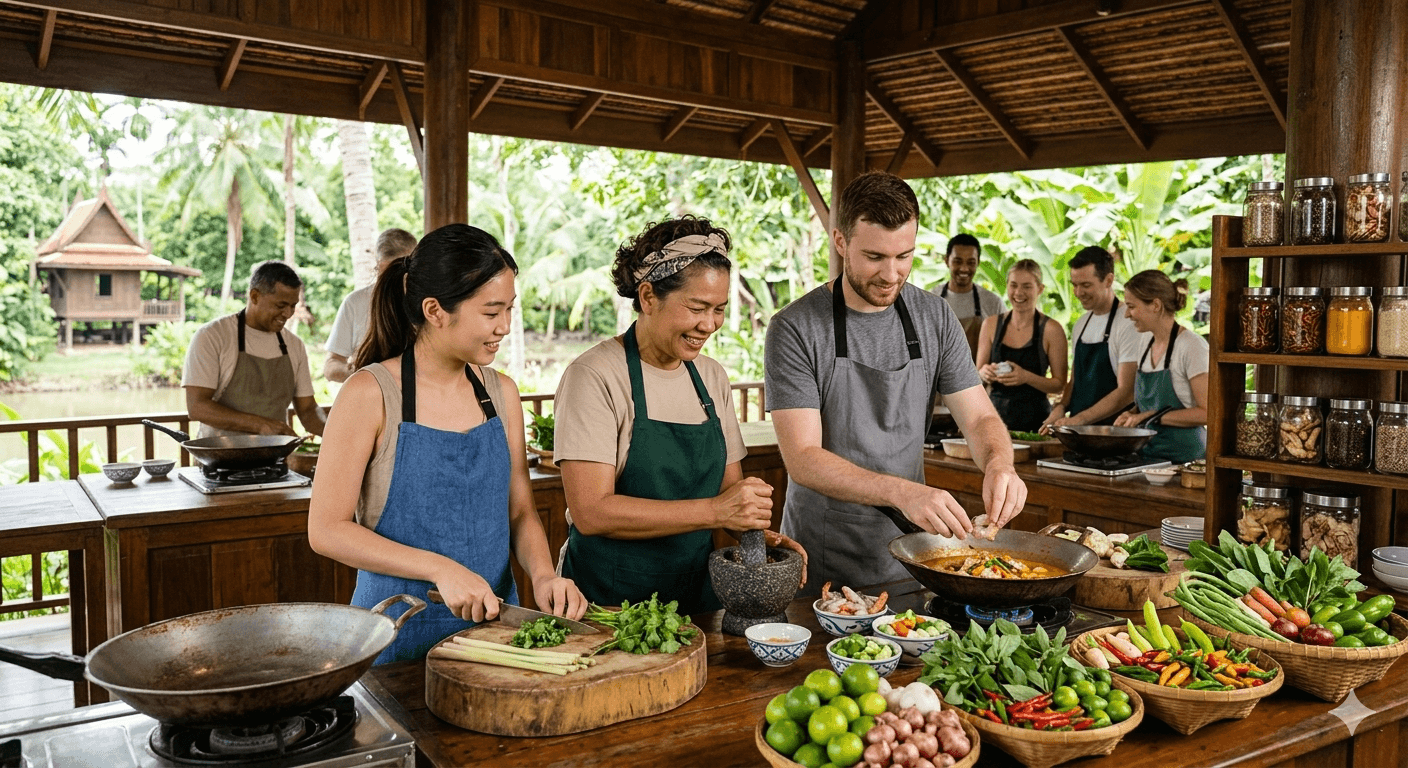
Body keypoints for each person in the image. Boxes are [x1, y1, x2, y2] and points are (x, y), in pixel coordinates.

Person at [307, 224, 584, 664]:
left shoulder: (501, 393)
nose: (506, 327)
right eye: (491, 312)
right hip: (394, 635)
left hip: (495, 639)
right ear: (435, 310)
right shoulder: (370, 393)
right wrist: (440, 568)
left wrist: (545, 576)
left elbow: (520, 511)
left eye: (510, 310)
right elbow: (326, 530)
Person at [765, 172, 1027, 593]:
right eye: (874, 257)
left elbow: (978, 417)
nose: (891, 274)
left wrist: (999, 463)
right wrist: (903, 493)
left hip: (913, 553)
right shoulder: (795, 327)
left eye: (904, 256)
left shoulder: (935, 317)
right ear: (841, 242)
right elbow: (803, 457)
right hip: (823, 558)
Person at [554, 217, 806, 615]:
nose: (709, 325)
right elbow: (591, 512)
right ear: (649, 296)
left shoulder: (711, 377)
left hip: (696, 600)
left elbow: (729, 495)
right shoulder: (595, 375)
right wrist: (715, 511)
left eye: (719, 309)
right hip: (608, 603)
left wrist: (756, 536)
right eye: (697, 307)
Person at [183, 261, 326, 438]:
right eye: (280, 306)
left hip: (276, 459)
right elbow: (197, 407)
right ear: (255, 296)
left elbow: (308, 410)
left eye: (293, 306)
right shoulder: (213, 336)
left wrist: (335, 433)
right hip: (220, 458)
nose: (288, 314)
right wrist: (261, 425)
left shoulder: (294, 345)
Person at [1040, 246, 1149, 432]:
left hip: (1116, 433)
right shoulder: (1081, 325)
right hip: (1080, 433)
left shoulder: (1128, 323)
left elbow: (1127, 391)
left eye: (1086, 285)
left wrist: (1080, 420)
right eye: (1074, 285)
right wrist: (1061, 408)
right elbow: (1074, 381)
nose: (1078, 292)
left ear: (1108, 280)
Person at [1113, 269, 1208, 463]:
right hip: (1149, 459)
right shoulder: (1144, 342)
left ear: (1156, 305)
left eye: (1131, 306)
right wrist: (1132, 414)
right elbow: (1147, 404)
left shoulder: (1191, 346)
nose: (1127, 315)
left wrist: (1153, 416)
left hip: (1186, 462)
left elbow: (1207, 413)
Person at [975, 259, 1068, 432]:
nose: (1018, 293)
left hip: (1036, 422)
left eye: (1027, 286)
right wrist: (984, 372)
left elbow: (1059, 384)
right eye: (1014, 285)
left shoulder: (1051, 330)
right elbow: (977, 372)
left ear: (1040, 289)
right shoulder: (991, 324)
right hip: (995, 419)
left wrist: (1026, 377)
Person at [325, 228, 419, 383]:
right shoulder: (355, 302)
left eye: (402, 271)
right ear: (378, 266)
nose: (394, 281)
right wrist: (363, 373)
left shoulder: (427, 302)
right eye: (390, 272)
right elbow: (331, 367)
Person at [936, 234, 1005, 359]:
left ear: (978, 262)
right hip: (938, 378)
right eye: (958, 261)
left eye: (971, 262)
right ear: (947, 261)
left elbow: (1005, 349)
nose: (964, 268)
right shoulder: (931, 299)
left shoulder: (993, 303)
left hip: (979, 378)